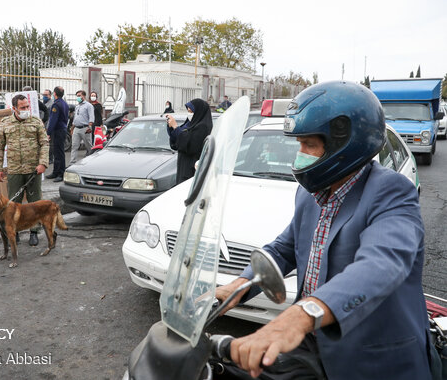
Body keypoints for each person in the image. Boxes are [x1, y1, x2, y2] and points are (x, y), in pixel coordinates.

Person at [215, 81, 435, 380]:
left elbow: (381, 262)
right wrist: (238, 286)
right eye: (299, 144)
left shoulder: (392, 191)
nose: (300, 154)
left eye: (309, 145)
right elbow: (285, 248)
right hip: (312, 348)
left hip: (372, 360)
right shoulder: (310, 193)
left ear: (345, 145)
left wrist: (302, 315)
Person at [0, 94, 49, 247]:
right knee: (13, 203)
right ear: (14, 109)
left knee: (35, 203)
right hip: (14, 170)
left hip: (34, 170)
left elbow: (44, 143)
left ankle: (34, 232)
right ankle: (14, 232)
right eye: (22, 107)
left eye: (27, 106)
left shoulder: (36, 121)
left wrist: (43, 163)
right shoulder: (5, 123)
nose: (26, 110)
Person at [166, 99, 213, 184]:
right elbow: (177, 143)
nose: (189, 114)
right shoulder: (189, 124)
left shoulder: (203, 127)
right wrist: (171, 127)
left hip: (192, 169)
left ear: (198, 112)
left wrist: (176, 127)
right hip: (183, 166)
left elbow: (191, 146)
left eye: (191, 111)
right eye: (188, 111)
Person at [46, 86, 69, 182]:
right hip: (62, 129)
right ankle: (55, 171)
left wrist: (48, 132)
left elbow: (53, 120)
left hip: (58, 130)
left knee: (59, 152)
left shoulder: (56, 105)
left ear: (54, 94)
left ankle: (61, 173)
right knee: (57, 151)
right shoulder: (64, 103)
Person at [70, 90, 94, 165]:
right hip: (76, 128)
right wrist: (72, 128)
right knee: (74, 146)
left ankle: (92, 161)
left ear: (84, 96)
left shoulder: (89, 106)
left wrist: (89, 127)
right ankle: (72, 162)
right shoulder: (77, 106)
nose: (78, 97)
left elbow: (91, 117)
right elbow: (75, 118)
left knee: (89, 146)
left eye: (79, 96)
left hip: (85, 128)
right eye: (77, 96)